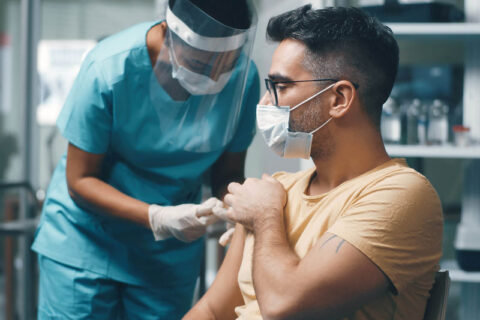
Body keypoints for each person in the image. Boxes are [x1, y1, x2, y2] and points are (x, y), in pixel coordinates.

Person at [185, 5, 443, 320]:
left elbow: (285, 306)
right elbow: (212, 310)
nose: (266, 103)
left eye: (281, 87)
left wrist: (265, 218)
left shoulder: (401, 195)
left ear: (339, 99)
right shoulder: (277, 189)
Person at [31, 0, 259, 318]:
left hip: (167, 256)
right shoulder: (108, 68)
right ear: (167, 32)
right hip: (87, 241)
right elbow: (80, 180)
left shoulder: (243, 80)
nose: (213, 77)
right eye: (198, 62)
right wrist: (158, 218)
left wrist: (238, 211)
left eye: (225, 64)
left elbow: (228, 173)